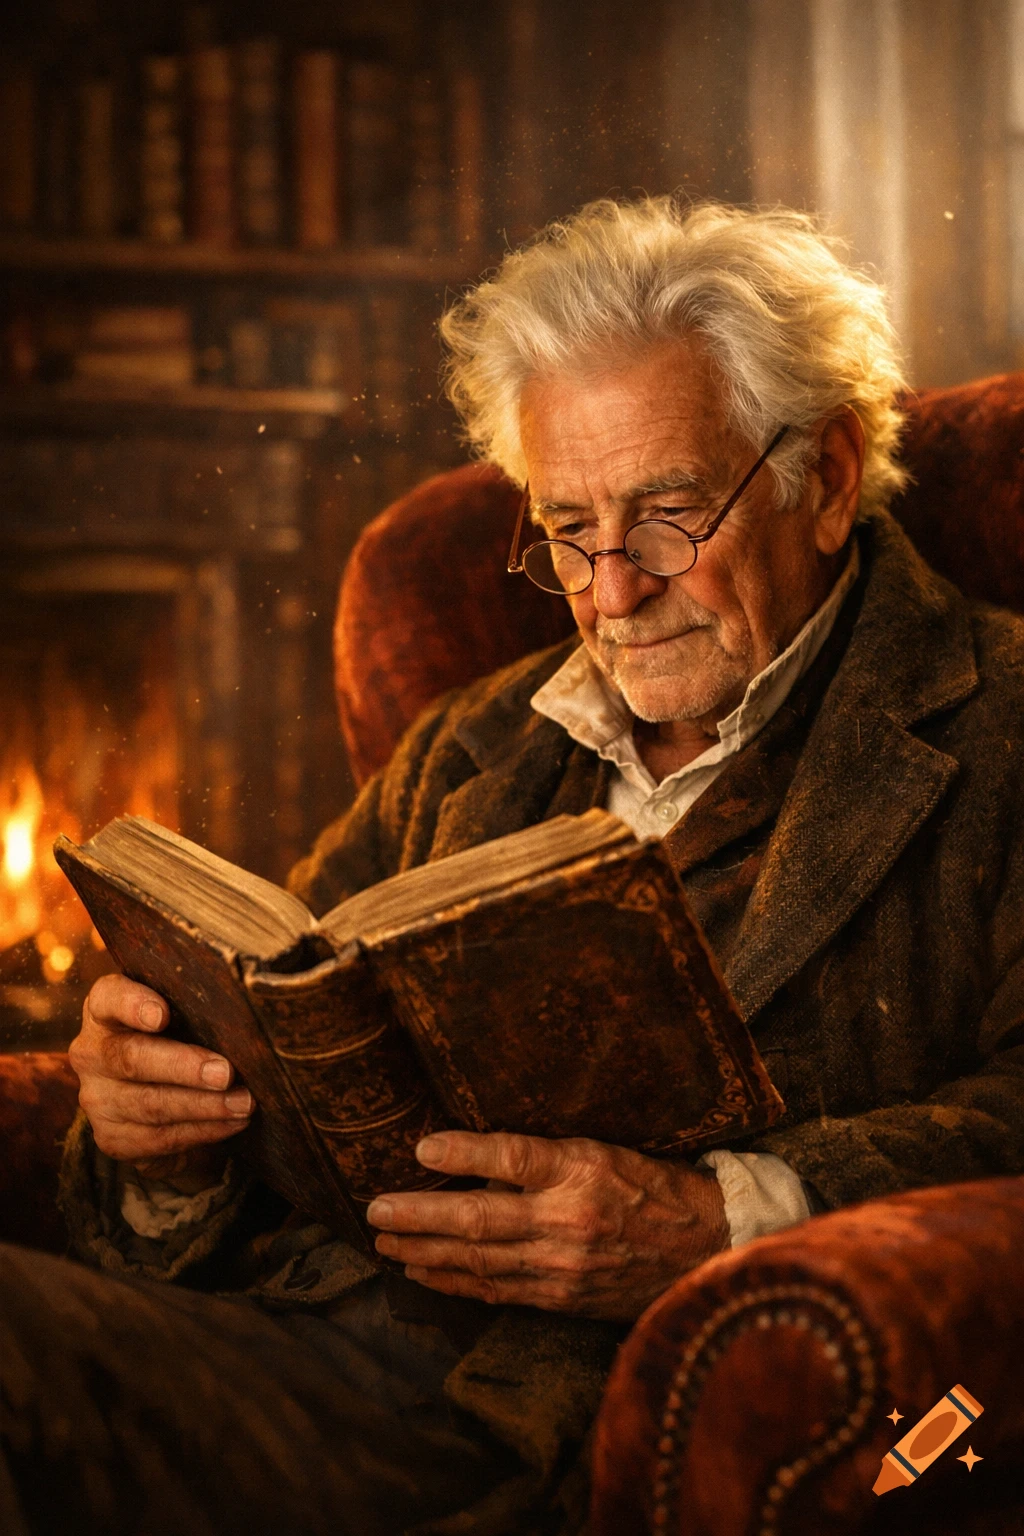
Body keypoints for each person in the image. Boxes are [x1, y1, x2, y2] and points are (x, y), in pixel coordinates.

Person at [4, 196, 1024, 1536]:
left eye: (667, 513)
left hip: (615, 1426)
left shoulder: (999, 721)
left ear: (825, 479)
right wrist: (159, 1141)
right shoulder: (469, 743)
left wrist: (721, 1218)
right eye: (566, 529)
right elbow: (291, 1024)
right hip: (304, 1354)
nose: (610, 593)